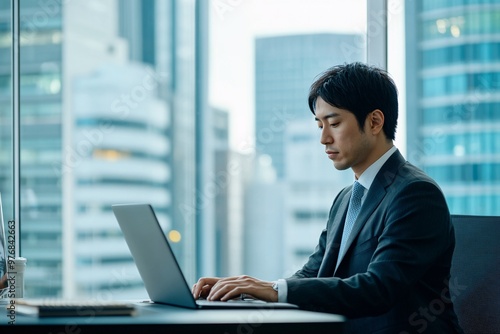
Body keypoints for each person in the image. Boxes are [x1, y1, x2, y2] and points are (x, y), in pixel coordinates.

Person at [192, 62, 464, 333]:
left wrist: (272, 290)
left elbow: (378, 289)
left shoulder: (415, 194)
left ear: (374, 122)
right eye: (319, 125)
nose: (323, 138)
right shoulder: (347, 198)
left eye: (333, 123)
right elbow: (313, 273)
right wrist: (248, 290)